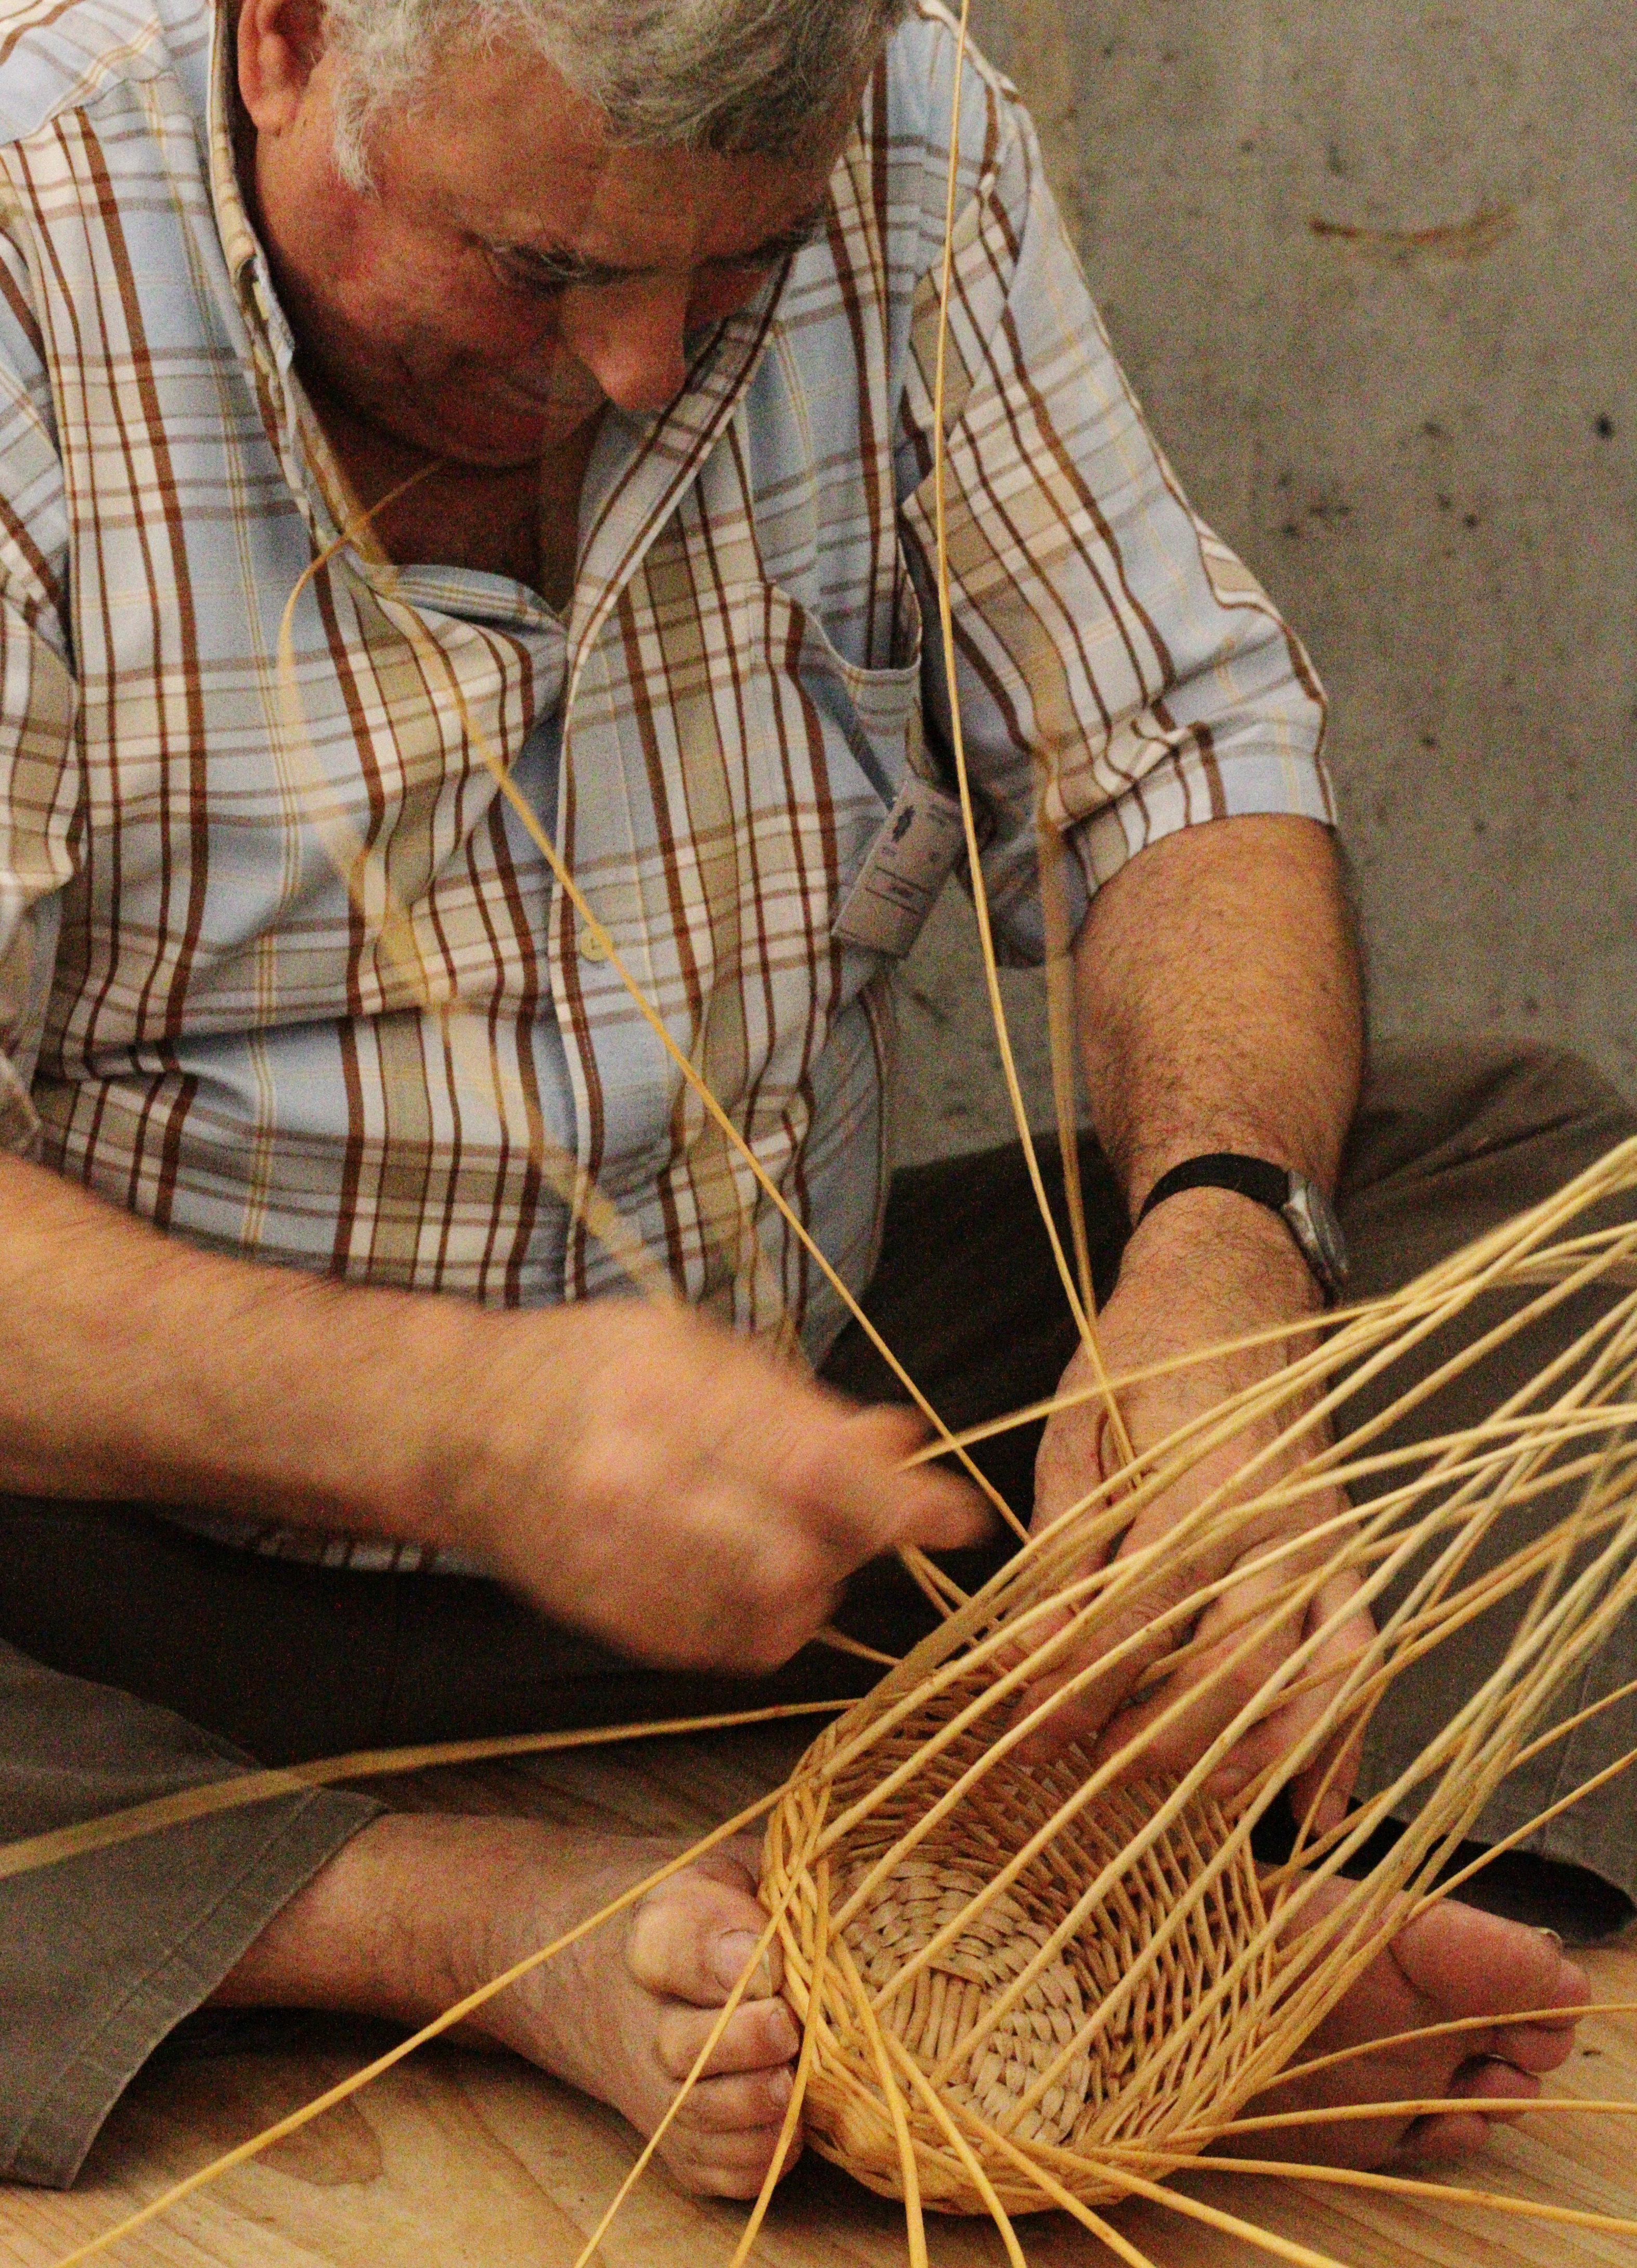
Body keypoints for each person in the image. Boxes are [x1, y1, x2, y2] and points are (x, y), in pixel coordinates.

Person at [0, 0, 1625, 2203]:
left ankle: (1135, 1880)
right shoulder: (27, 248)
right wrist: (461, 1425)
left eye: (736, 270)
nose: (644, 366)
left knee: (1540, 1187)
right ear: (284, 37)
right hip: (129, 1554)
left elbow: (1174, 760)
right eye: (544, 268)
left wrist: (1221, 1262)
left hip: (809, 1486)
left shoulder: (915, 127)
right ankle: (455, 1920)